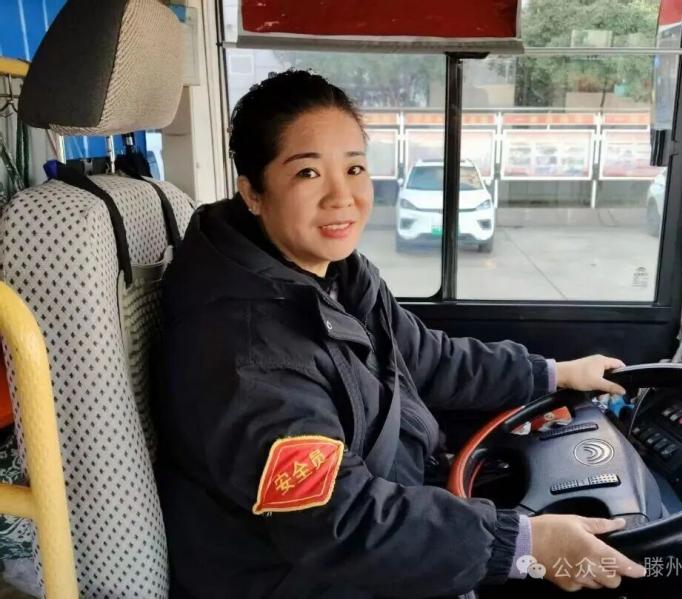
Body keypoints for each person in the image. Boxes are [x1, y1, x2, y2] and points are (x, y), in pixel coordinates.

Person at [155, 69, 647, 598]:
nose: (341, 197)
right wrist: (524, 544)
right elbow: (337, 520)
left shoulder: (338, 276)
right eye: (308, 173)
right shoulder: (246, 353)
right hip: (305, 578)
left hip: (391, 517)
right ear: (253, 192)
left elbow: (424, 357)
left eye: (354, 168)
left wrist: (553, 374)